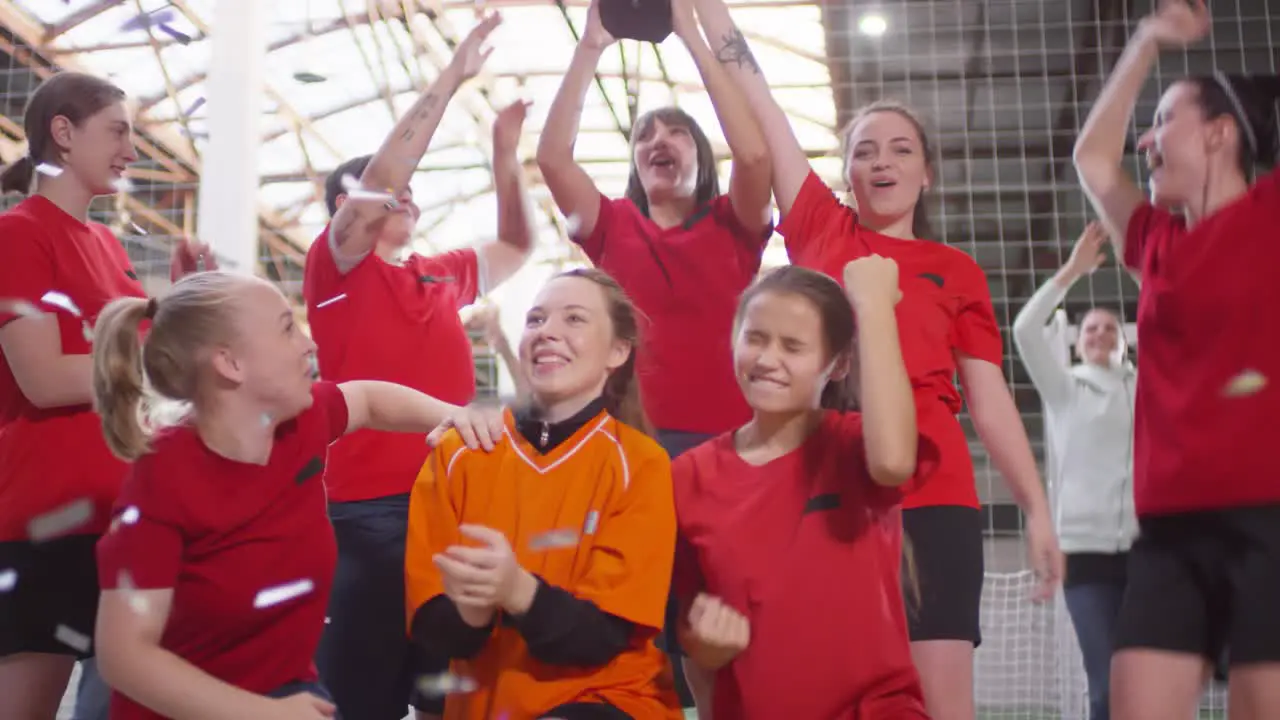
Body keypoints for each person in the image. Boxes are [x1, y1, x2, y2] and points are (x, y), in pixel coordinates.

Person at [686, 2, 1063, 717]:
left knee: (937, 701)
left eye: (899, 148)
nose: (880, 161)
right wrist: (701, 10)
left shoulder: (956, 271)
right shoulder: (822, 231)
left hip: (934, 495)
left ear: (927, 173)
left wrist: (1038, 511)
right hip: (829, 493)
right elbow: (759, 99)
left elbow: (989, 401)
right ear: (847, 174)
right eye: (863, 150)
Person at [89, 271, 504, 720]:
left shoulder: (299, 421)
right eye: (288, 328)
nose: (309, 344)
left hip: (288, 691)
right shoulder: (161, 482)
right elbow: (125, 657)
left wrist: (457, 416)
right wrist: (260, 714)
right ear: (230, 364)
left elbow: (366, 399)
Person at [536, 0, 772, 704]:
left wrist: (691, 32)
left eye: (676, 133)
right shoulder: (611, 228)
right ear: (637, 163)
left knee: (716, 625)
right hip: (630, 452)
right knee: (639, 624)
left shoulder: (736, 224)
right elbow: (551, 158)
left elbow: (756, 152)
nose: (658, 139)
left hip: (725, 452)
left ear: (702, 155)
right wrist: (591, 46)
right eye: (645, 135)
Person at [302, 14, 535, 720]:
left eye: (408, 191)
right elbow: (382, 176)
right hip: (367, 515)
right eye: (377, 193)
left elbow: (518, 245)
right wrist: (452, 76)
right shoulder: (335, 269)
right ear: (345, 211)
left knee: (450, 694)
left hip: (455, 503)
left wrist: (504, 152)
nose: (398, 195)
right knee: (362, 694)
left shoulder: (442, 275)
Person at [1072, 0, 1280, 716]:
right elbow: (1092, 159)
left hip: (1270, 526)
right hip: (1168, 535)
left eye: (1164, 121)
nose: (1146, 141)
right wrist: (1147, 42)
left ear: (1220, 133)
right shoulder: (1155, 242)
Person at [0, 70, 212, 720]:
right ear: (63, 133)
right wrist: (151, 338)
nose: (131, 150)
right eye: (118, 131)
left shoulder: (106, 246)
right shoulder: (18, 233)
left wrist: (177, 302)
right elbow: (45, 376)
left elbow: (133, 362)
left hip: (119, 515)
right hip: (44, 519)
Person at [404, 268, 684, 720]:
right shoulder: (459, 452)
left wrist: (517, 591)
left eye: (574, 319)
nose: (547, 333)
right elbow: (435, 634)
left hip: (607, 698)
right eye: (536, 320)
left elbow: (603, 636)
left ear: (618, 351)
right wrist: (472, 610)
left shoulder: (641, 464)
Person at [672, 258, 935, 719]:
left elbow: (894, 462)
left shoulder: (854, 444)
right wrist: (706, 645)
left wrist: (873, 306)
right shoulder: (689, 476)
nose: (767, 359)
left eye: (792, 346)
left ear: (837, 364)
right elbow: (693, 640)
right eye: (755, 338)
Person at [1011, 222, 1136, 720]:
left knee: (1150, 685)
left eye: (1110, 327)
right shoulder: (1065, 390)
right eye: (1090, 328)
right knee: (1106, 686)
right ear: (1077, 344)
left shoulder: (1143, 389)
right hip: (1084, 555)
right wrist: (1071, 272)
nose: (1101, 333)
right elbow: (1023, 330)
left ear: (1124, 341)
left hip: (1147, 552)